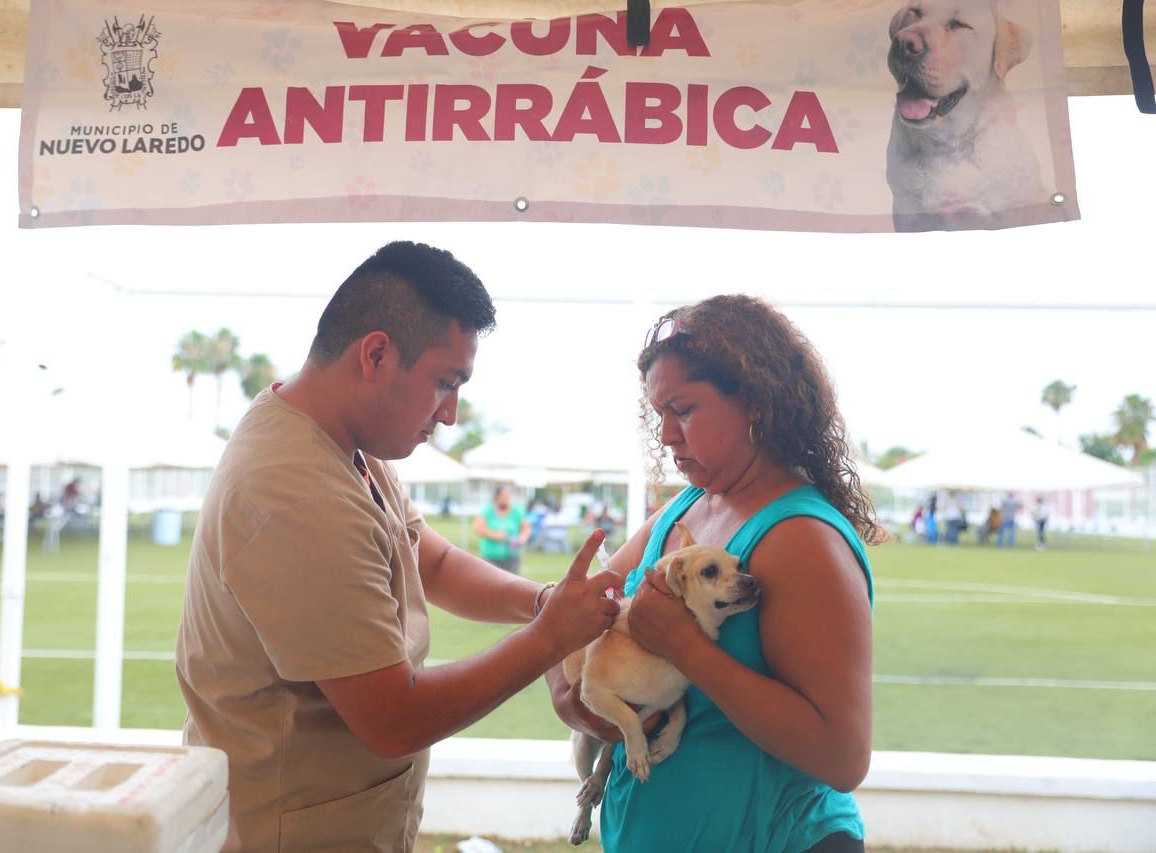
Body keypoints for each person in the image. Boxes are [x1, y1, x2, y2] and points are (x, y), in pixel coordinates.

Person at [174, 242, 621, 853]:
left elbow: (427, 558)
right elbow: (394, 719)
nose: (452, 414)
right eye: (445, 382)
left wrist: (545, 602)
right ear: (377, 354)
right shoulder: (298, 492)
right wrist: (548, 640)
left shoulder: (340, 443)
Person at [547, 295, 881, 853]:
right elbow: (579, 610)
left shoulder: (803, 539)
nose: (667, 436)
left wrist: (686, 647)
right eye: (659, 416)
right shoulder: (685, 511)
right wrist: (571, 695)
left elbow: (842, 758)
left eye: (683, 409)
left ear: (753, 401)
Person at [472, 484, 531, 573]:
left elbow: (526, 528)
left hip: (511, 557)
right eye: (504, 497)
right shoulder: (487, 510)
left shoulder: (517, 511)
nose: (507, 500)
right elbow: (478, 528)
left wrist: (522, 538)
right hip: (490, 557)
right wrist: (497, 536)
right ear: (496, 497)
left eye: (508, 497)